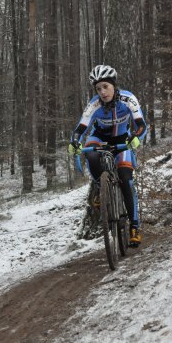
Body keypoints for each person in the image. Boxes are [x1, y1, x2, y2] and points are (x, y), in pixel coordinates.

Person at [68, 64, 148, 247]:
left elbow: (141, 124)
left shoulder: (128, 99)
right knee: (92, 155)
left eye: (106, 86)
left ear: (113, 85)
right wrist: (74, 141)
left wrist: (136, 138)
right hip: (99, 138)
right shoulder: (94, 104)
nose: (103, 92)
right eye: (98, 88)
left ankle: (134, 227)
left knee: (126, 179)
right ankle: (99, 187)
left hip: (122, 139)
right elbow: (81, 127)